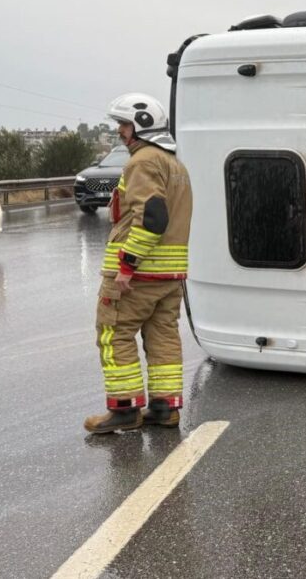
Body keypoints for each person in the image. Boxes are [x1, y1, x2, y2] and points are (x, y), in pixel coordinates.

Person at [84, 93, 193, 434]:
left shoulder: (142, 162)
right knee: (163, 335)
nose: (119, 131)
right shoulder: (174, 163)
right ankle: (164, 408)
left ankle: (125, 409)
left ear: (140, 126)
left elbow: (153, 218)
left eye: (124, 124)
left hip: (139, 273)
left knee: (113, 332)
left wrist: (127, 266)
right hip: (169, 274)